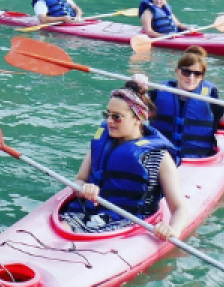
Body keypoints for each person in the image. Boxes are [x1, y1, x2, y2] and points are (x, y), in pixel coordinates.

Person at [69, 82, 186, 240]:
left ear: (138, 119)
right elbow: (80, 180)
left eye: (117, 117)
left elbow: (179, 208)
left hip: (128, 223)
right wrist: (84, 187)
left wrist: (173, 230)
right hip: (86, 213)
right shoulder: (102, 144)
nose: (109, 121)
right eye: (107, 115)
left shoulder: (160, 156)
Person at [137, 47, 224, 159]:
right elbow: (126, 105)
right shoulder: (156, 95)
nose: (191, 78)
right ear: (177, 71)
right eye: (186, 72)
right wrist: (136, 87)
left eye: (197, 74)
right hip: (159, 159)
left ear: (202, 76)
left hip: (198, 161)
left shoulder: (210, 101)